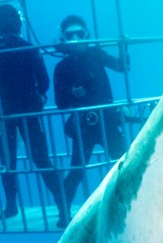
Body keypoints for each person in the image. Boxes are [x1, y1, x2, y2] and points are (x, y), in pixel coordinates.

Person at [0, 4, 69, 228]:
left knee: (7, 162)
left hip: (3, 114)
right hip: (28, 112)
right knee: (40, 160)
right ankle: (62, 206)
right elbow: (45, 82)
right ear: (18, 23)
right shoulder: (27, 47)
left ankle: (12, 206)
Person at [53, 15, 129, 213]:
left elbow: (123, 66)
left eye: (80, 33)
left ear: (87, 34)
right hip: (84, 126)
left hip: (108, 121)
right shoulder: (61, 67)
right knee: (77, 172)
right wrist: (72, 94)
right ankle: (63, 212)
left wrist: (123, 47)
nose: (76, 38)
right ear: (63, 38)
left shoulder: (96, 54)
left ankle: (127, 204)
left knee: (124, 164)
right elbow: (60, 103)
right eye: (71, 34)